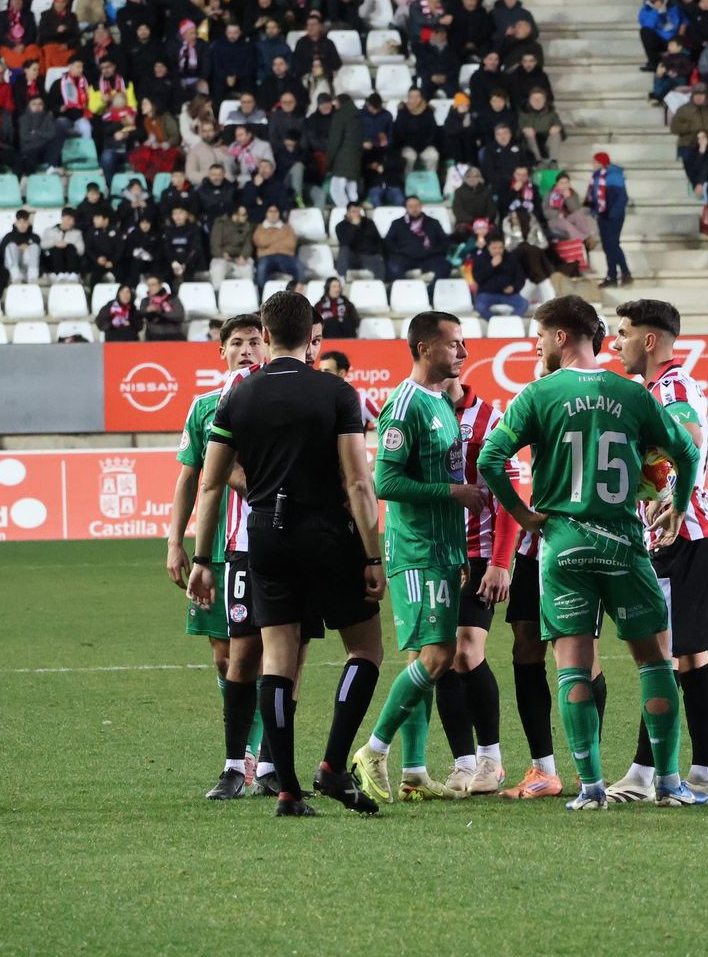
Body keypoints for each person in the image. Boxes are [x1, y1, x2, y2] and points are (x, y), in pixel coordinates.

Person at [478, 294, 704, 811]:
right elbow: (687, 451)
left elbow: (492, 459)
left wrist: (525, 514)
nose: (539, 346)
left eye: (540, 338)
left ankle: (591, 788)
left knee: (573, 668)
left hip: (563, 548)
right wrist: (679, 507)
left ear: (561, 337)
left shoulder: (537, 394)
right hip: (624, 544)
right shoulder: (632, 393)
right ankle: (668, 782)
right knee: (655, 661)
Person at [188, 292, 388, 818]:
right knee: (365, 650)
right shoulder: (336, 392)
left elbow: (210, 486)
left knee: (276, 660)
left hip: (264, 538)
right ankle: (332, 765)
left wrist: (201, 560)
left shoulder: (237, 398)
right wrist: (373, 555)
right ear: (312, 337)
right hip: (328, 533)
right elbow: (358, 482)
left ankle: (287, 790)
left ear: (267, 336)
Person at [349, 313, 490, 805]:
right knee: (437, 656)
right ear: (425, 347)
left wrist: (458, 548)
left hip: (443, 550)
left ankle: (412, 772)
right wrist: (453, 492)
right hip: (414, 551)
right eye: (454, 344)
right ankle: (372, 750)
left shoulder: (442, 403)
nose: (463, 352)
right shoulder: (404, 404)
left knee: (423, 659)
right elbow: (385, 483)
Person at [603, 300, 708, 804]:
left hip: (682, 539)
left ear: (649, 340)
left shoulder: (671, 387)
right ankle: (697, 775)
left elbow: (694, 443)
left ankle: (647, 771)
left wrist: (674, 502)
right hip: (689, 537)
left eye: (623, 333)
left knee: (664, 657)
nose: (616, 343)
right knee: (685, 659)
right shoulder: (668, 387)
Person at [167, 314, 268, 797]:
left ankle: (253, 758)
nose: (246, 349)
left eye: (254, 341)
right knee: (224, 654)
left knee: (263, 653)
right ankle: (248, 755)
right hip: (218, 549)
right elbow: (189, 478)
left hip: (266, 543)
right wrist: (175, 542)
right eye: (237, 343)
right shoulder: (204, 406)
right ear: (221, 351)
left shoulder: (276, 400)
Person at [588, 151, 631, 288]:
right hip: (602, 216)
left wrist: (614, 213)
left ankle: (623, 273)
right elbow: (593, 196)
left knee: (612, 245)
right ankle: (614, 275)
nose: (592, 164)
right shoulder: (596, 176)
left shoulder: (614, 175)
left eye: (595, 162)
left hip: (614, 216)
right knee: (608, 246)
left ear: (601, 162)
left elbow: (622, 197)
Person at [471, 233, 530, 319]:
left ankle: (509, 323)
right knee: (479, 306)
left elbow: (520, 276)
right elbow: (478, 277)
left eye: (500, 248)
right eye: (494, 248)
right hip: (487, 293)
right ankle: (495, 323)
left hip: (508, 294)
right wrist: (491, 266)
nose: (497, 251)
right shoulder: (480, 258)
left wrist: (514, 287)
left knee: (524, 304)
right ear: (488, 247)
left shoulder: (511, 258)